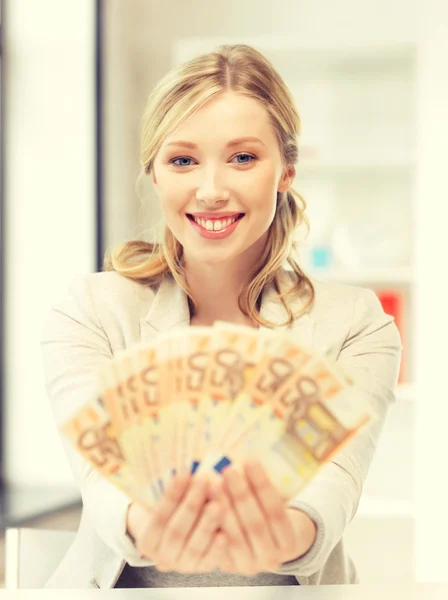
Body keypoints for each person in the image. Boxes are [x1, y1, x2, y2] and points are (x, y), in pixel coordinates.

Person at [40, 44, 402, 589]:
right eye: (183, 160)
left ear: (286, 171)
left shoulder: (357, 323)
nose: (211, 191)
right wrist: (150, 523)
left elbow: (336, 485)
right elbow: (103, 479)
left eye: (242, 158)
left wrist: (283, 531)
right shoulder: (90, 310)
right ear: (156, 175)